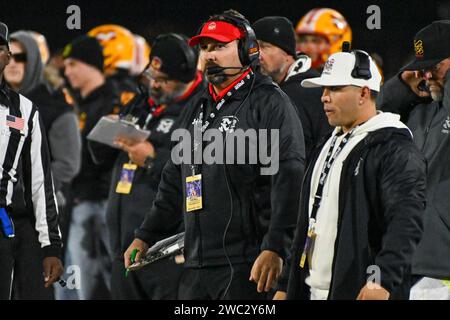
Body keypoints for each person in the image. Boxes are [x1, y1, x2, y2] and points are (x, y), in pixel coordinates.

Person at [124, 9, 305, 300]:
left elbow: (288, 178)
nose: (209, 55)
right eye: (205, 48)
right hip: (197, 264)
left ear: (247, 50)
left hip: (247, 265)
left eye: (220, 46)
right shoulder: (198, 106)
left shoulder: (269, 103)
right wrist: (146, 234)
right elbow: (173, 180)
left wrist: (275, 247)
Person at [275, 45, 427, 300]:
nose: (324, 97)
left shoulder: (394, 148)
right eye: (324, 89)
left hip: (358, 292)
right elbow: (309, 221)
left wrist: (383, 279)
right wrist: (286, 283)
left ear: (363, 93)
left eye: (334, 89)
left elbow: (405, 222)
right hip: (311, 291)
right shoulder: (328, 143)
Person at [90, 33, 206, 300]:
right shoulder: (142, 102)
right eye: (153, 78)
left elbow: (202, 174)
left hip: (166, 251)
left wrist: (154, 160)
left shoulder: (201, 107)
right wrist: (106, 132)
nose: (156, 86)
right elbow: (98, 159)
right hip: (124, 248)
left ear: (185, 80)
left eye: (164, 81)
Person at [377, 20, 450, 294]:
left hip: (443, 266)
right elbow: (374, 115)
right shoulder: (420, 109)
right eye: (423, 68)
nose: (428, 76)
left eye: (435, 66)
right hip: (408, 264)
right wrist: (402, 83)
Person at [0, 21, 63, 300]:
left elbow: (40, 182)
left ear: (6, 55)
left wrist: (51, 247)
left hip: (8, 227)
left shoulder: (25, 109)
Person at [61, 35, 121, 299]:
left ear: (91, 65)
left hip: (99, 202)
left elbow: (102, 159)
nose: (67, 70)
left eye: (73, 63)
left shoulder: (113, 101)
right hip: (76, 201)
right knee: (70, 287)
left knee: (94, 284)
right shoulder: (79, 103)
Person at [253, 16, 331, 160]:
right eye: (254, 47)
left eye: (264, 46)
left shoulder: (310, 90)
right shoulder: (266, 90)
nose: (258, 55)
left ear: (287, 53)